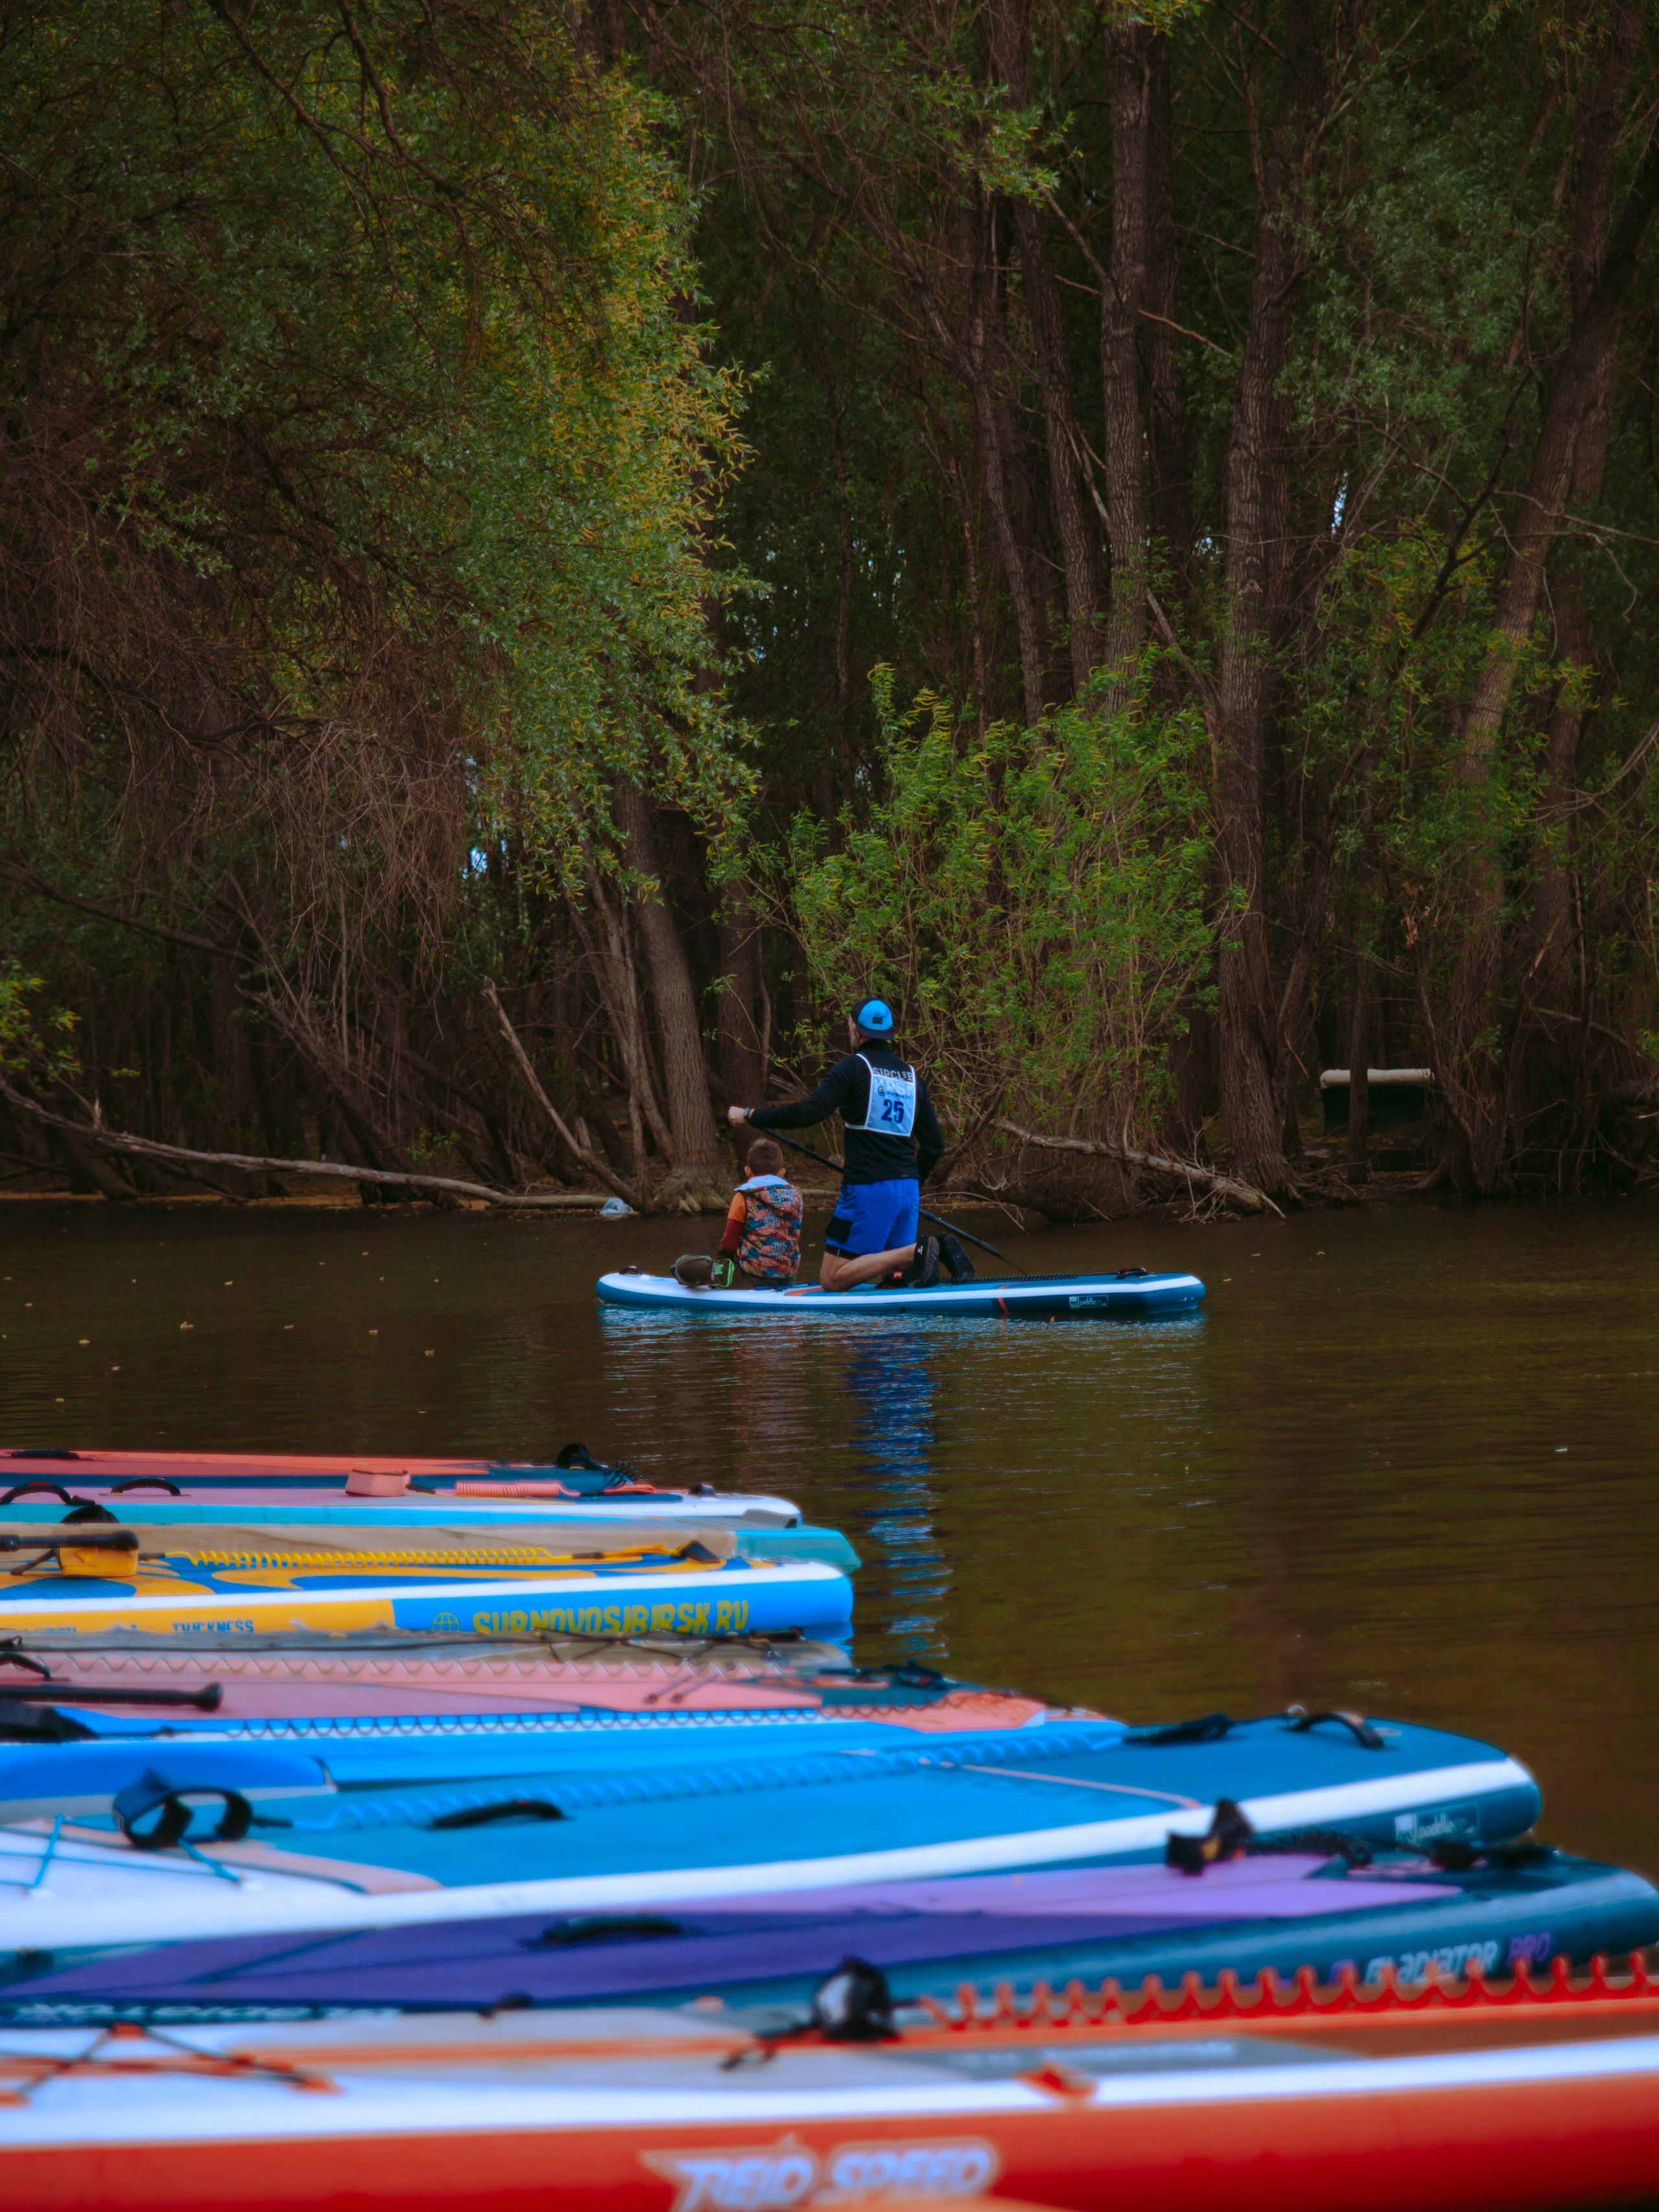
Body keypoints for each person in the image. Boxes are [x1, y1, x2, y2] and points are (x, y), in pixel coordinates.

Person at [727, 996, 973, 1290]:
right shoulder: (911, 1078)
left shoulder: (853, 1068)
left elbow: (807, 1113)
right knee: (894, 1280)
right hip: (907, 1191)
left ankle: (917, 1251)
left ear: (856, 1030)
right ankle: (916, 1261)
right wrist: (911, 1183)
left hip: (869, 1189)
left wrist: (751, 1115)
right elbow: (934, 1145)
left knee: (832, 1279)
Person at [716, 1135, 803, 1287]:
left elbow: (730, 1241)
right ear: (782, 1172)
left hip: (753, 1277)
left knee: (684, 1265)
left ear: (748, 1172)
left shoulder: (743, 1196)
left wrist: (720, 1265)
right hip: (788, 1277)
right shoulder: (797, 1197)